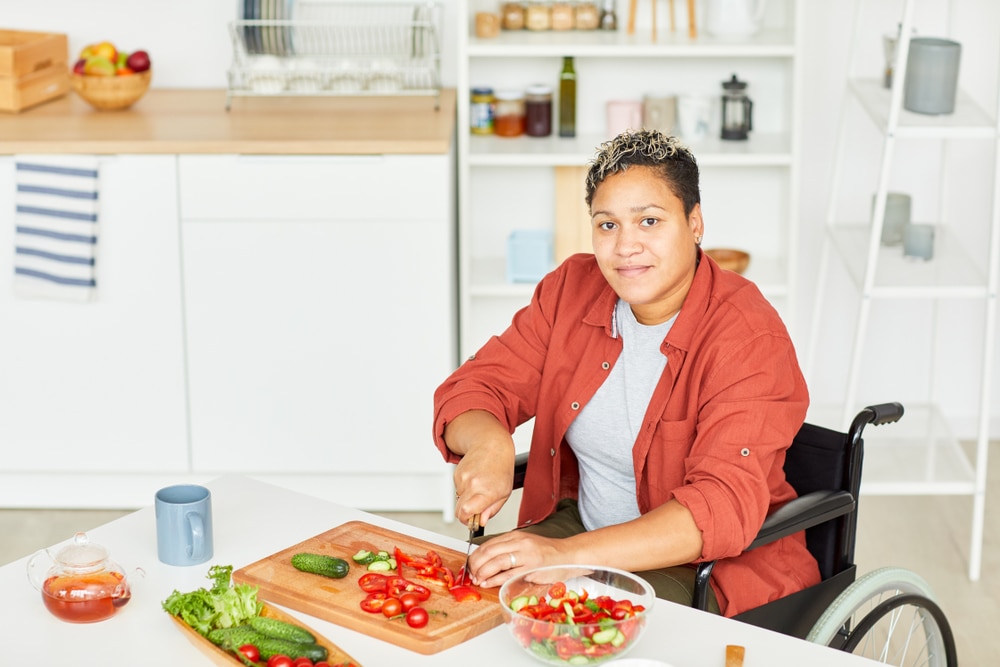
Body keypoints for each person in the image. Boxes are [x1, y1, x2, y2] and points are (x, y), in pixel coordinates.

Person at [432, 129, 819, 617]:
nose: (625, 247)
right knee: (473, 611)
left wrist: (562, 556)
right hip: (582, 530)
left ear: (694, 223)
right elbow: (475, 388)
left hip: (703, 567)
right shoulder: (571, 289)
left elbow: (718, 505)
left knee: (563, 631)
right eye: (607, 225)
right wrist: (492, 445)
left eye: (649, 221)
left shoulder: (748, 337)